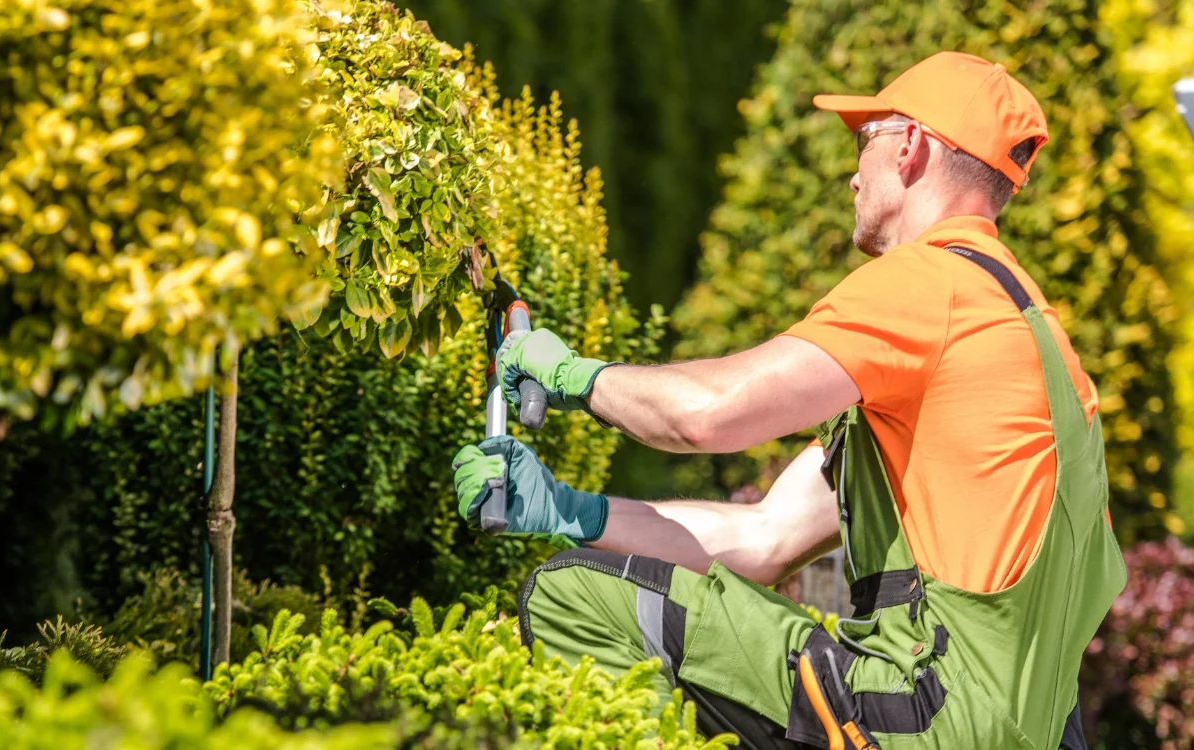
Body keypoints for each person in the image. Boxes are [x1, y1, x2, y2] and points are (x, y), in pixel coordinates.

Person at [450, 51, 1125, 749]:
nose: (854, 173)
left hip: (926, 716)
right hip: (1022, 731)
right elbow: (765, 538)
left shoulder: (931, 284)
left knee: (573, 598)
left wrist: (573, 375)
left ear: (914, 146)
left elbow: (707, 414)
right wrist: (568, 509)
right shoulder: (1029, 333)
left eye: (865, 142)